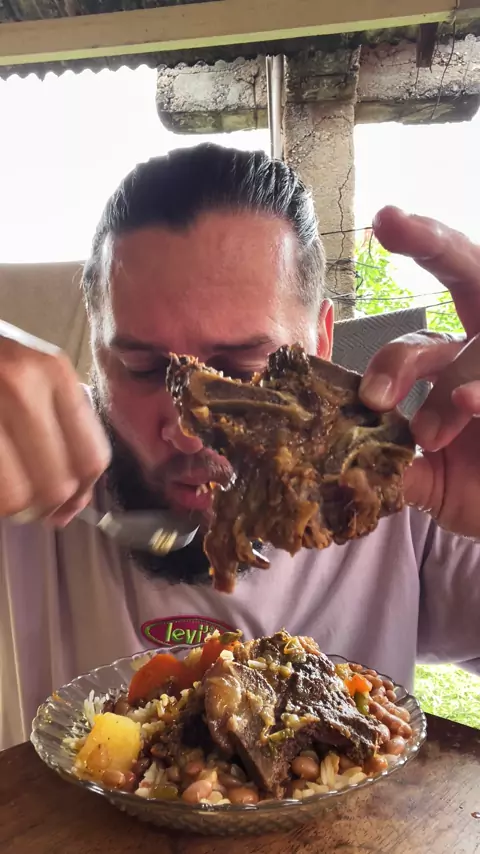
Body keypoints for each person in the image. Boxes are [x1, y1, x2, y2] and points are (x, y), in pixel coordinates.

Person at [0, 143, 479, 751]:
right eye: (143, 369)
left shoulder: (407, 488)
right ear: (94, 352)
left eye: (242, 372)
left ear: (321, 343)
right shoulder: (24, 468)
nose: (187, 429)